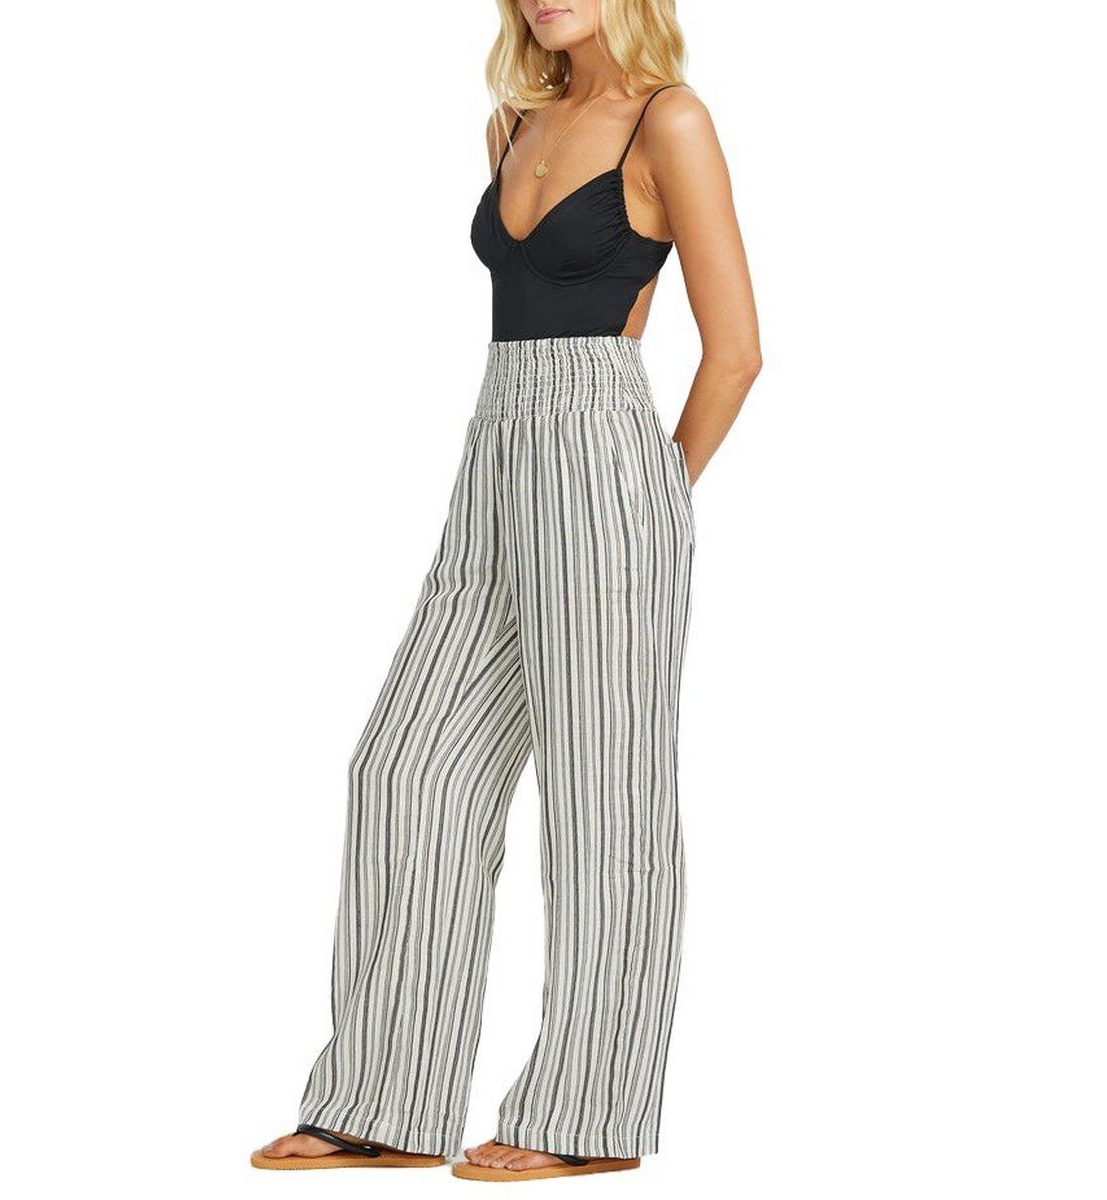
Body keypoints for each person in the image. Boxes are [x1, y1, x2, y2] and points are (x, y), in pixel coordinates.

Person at [251, 0, 760, 1183]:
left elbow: (733, 348)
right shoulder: (511, 125)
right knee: (405, 768)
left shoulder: (670, 121)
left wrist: (652, 494)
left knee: (603, 804)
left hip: (604, 458)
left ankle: (584, 1115)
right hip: (495, 449)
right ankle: (385, 1097)